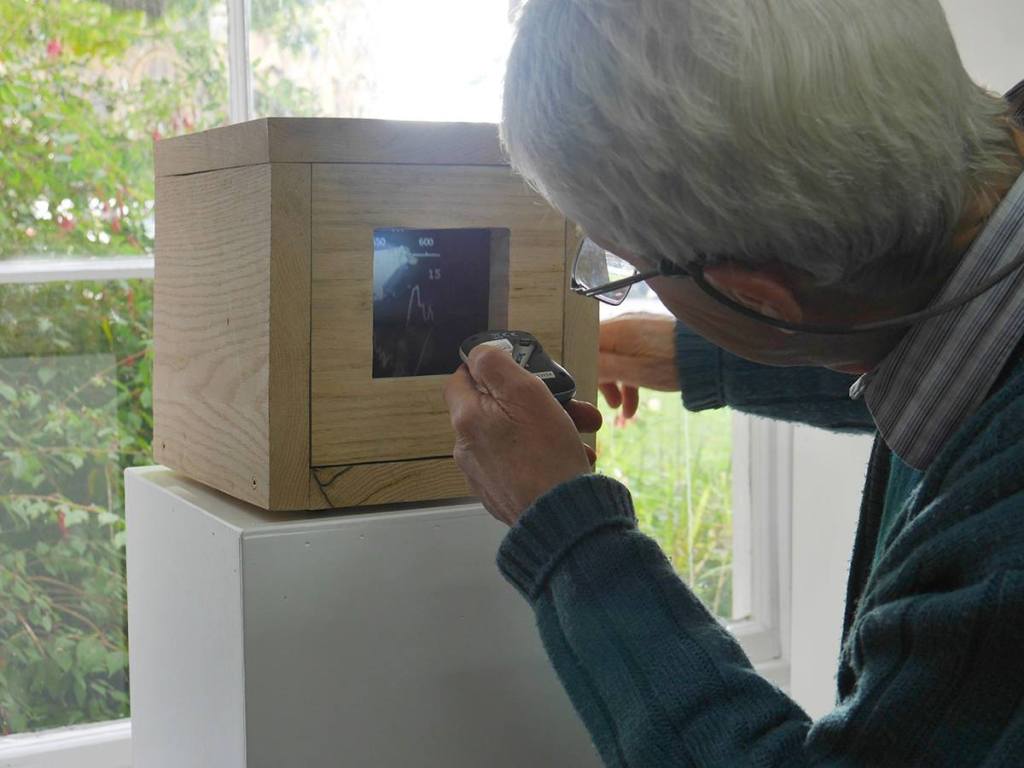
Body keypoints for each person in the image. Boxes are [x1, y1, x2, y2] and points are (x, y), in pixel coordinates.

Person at [443, 1, 1024, 765]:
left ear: (759, 301)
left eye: (627, 267)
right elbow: (957, 368)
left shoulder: (1002, 560)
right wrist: (694, 356)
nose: (620, 282)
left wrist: (564, 527)